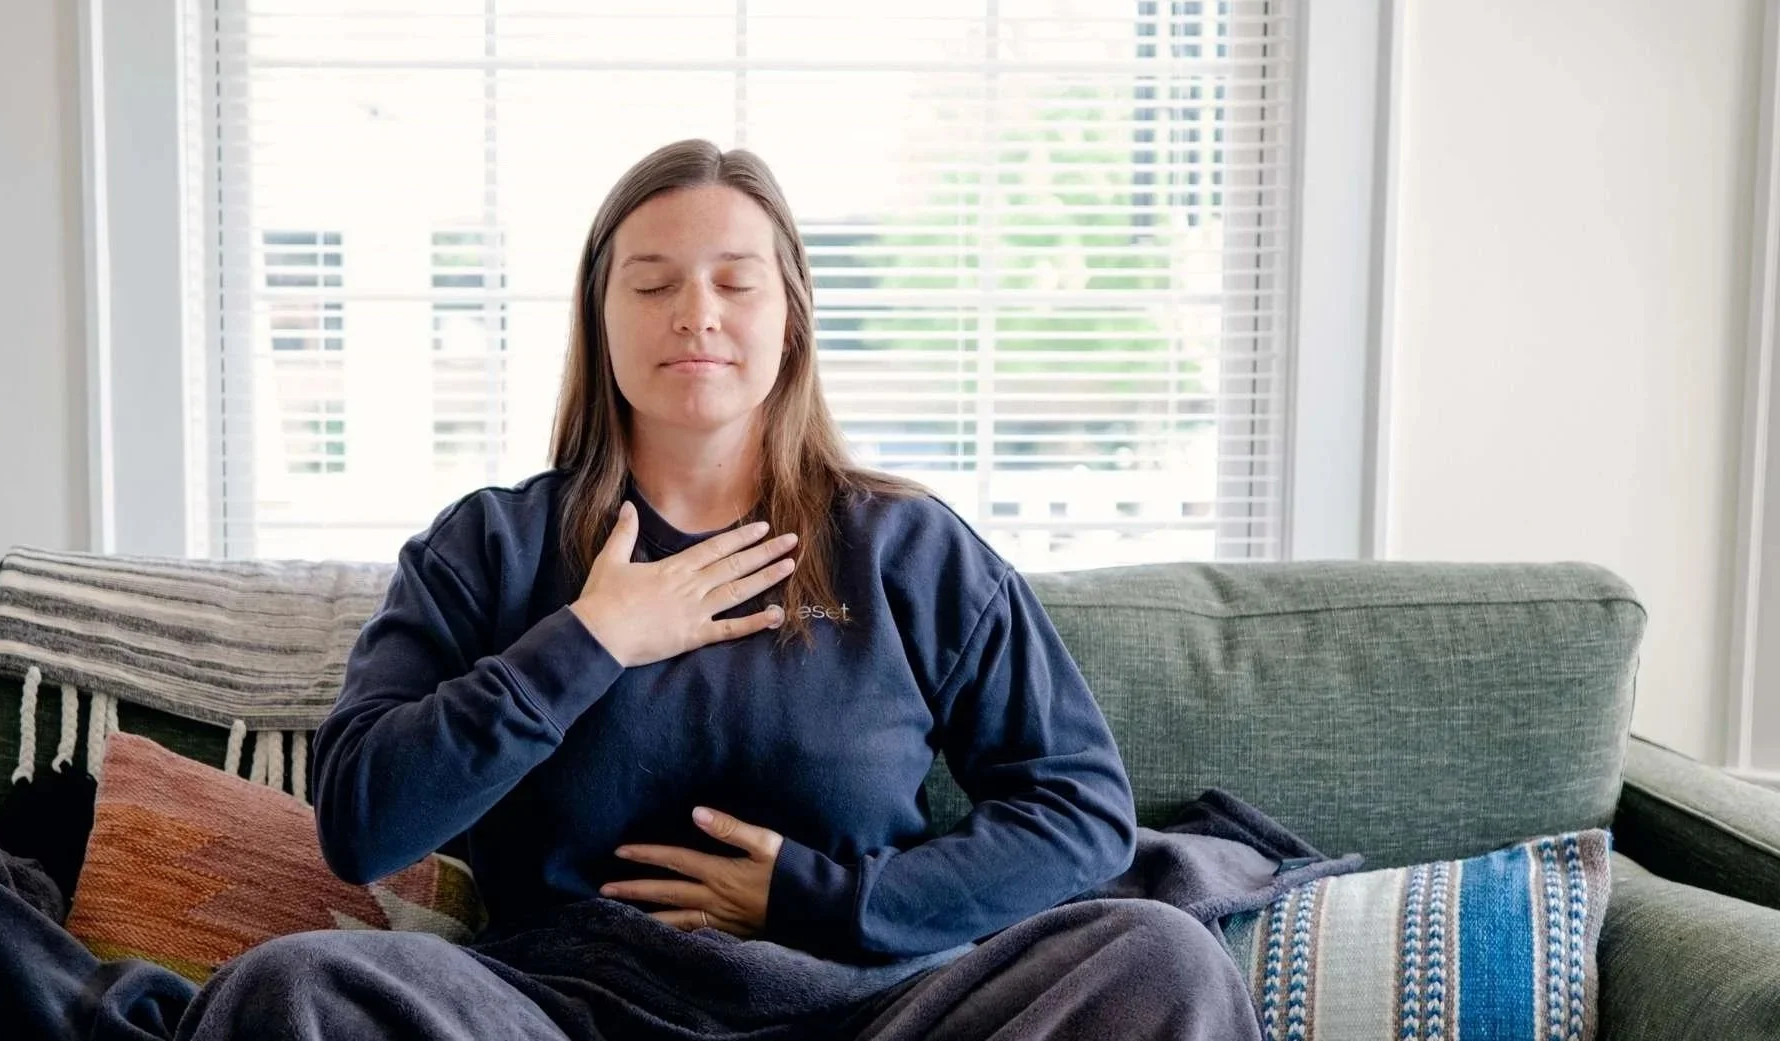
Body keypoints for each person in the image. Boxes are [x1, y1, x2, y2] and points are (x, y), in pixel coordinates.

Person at [177, 139, 1259, 1041]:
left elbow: (1076, 816)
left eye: (734, 282)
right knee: (294, 986)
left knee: (1158, 957)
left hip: (867, 1005)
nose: (694, 313)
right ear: (599, 322)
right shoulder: (486, 549)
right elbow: (362, 823)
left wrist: (820, 900)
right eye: (650, 284)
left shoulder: (912, 554)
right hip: (562, 1010)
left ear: (787, 315)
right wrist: (590, 640)